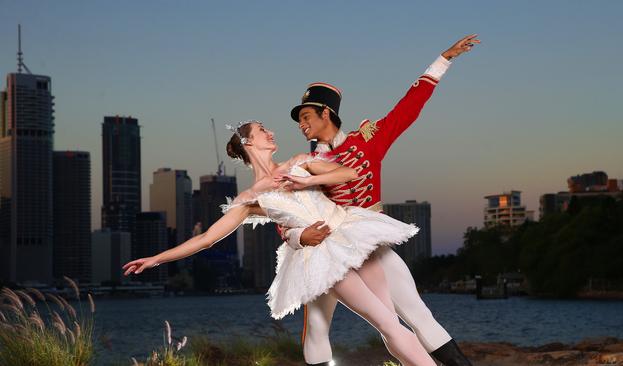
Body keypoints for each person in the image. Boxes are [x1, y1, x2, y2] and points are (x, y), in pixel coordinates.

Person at [123, 120, 438, 365]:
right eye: (262, 130)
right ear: (248, 142)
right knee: (387, 323)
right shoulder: (250, 198)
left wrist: (308, 179)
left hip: (352, 235)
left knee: (391, 323)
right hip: (322, 255)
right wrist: (155, 259)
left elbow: (349, 173)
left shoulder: (300, 162)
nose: (271, 132)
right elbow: (206, 239)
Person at [280, 34, 480, 366]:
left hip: (372, 249)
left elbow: (408, 108)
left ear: (326, 113)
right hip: (327, 252)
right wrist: (300, 237)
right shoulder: (300, 166)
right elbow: (285, 215)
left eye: (306, 117)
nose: (301, 125)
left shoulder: (367, 141)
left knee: (415, 316)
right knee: (317, 327)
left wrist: (443, 59)